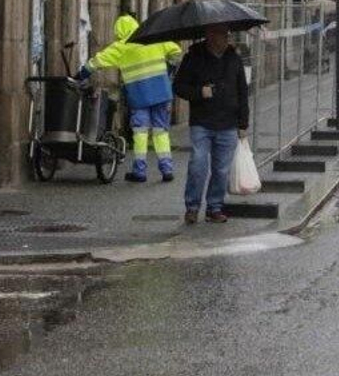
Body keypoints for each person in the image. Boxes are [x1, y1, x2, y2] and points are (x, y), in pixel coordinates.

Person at [84, 14, 182, 183]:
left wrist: (81, 74)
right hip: (161, 92)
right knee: (161, 132)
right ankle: (167, 169)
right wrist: (169, 69)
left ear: (119, 32)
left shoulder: (121, 47)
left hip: (139, 95)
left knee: (140, 132)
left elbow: (96, 62)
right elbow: (176, 51)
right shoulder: (153, 38)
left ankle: (140, 171)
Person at [172, 24, 249, 224]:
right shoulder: (194, 57)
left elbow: (242, 91)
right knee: (198, 164)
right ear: (210, 35)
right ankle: (192, 207)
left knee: (222, 169)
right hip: (202, 122)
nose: (226, 38)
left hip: (228, 122)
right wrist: (199, 92)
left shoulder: (234, 58)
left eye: (227, 34)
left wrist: (243, 124)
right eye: (222, 34)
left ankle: (214, 207)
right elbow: (179, 86)